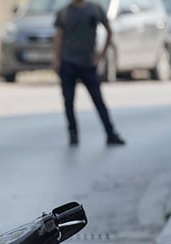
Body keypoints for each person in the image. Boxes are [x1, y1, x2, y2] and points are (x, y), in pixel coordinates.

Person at [50, 0, 125, 146]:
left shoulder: (95, 10)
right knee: (68, 101)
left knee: (98, 100)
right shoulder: (64, 13)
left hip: (88, 64)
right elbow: (58, 37)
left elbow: (109, 31)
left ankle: (110, 133)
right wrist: (57, 60)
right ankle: (73, 135)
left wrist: (101, 55)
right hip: (68, 63)